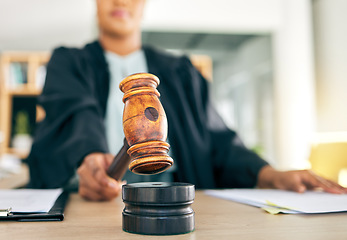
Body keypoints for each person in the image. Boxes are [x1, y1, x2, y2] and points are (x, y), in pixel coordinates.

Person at [27, 0, 346, 201]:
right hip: (94, 195)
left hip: (172, 199)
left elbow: (219, 141)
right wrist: (91, 158)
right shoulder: (67, 62)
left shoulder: (181, 71)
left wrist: (270, 174)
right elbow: (74, 115)